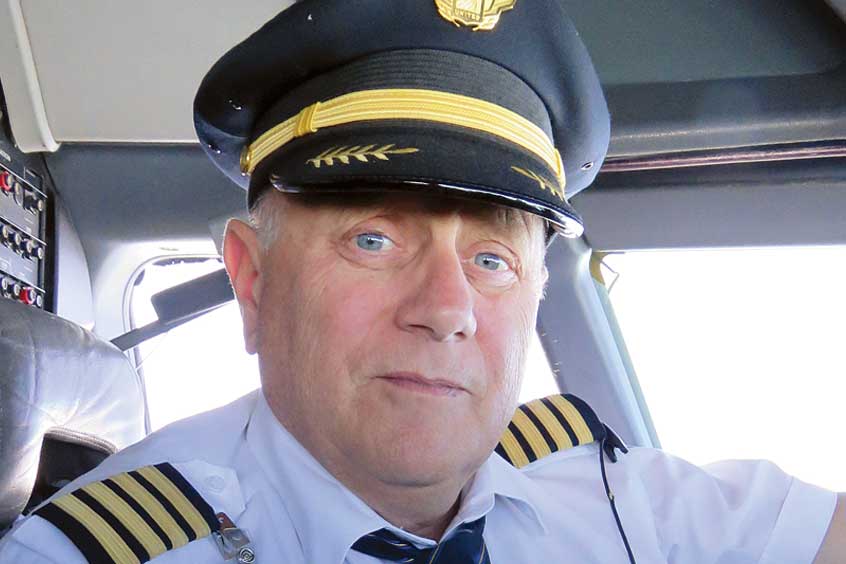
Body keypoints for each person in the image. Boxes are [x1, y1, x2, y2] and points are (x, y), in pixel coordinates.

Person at [1, 0, 844, 562]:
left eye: (492, 260)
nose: (447, 311)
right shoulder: (94, 551)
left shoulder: (621, 497)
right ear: (253, 282)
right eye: (373, 240)